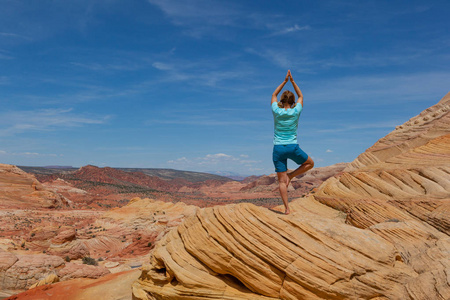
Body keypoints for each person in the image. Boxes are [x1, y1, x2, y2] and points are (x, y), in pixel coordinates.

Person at [271, 70, 314, 215]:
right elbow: (301, 96)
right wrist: (293, 81)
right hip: (292, 146)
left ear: (282, 101)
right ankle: (292, 175)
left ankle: (287, 209)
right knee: (310, 163)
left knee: (281, 182)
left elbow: (273, 95)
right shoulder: (296, 111)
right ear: (293, 101)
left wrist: (284, 82)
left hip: (278, 148)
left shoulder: (276, 111)